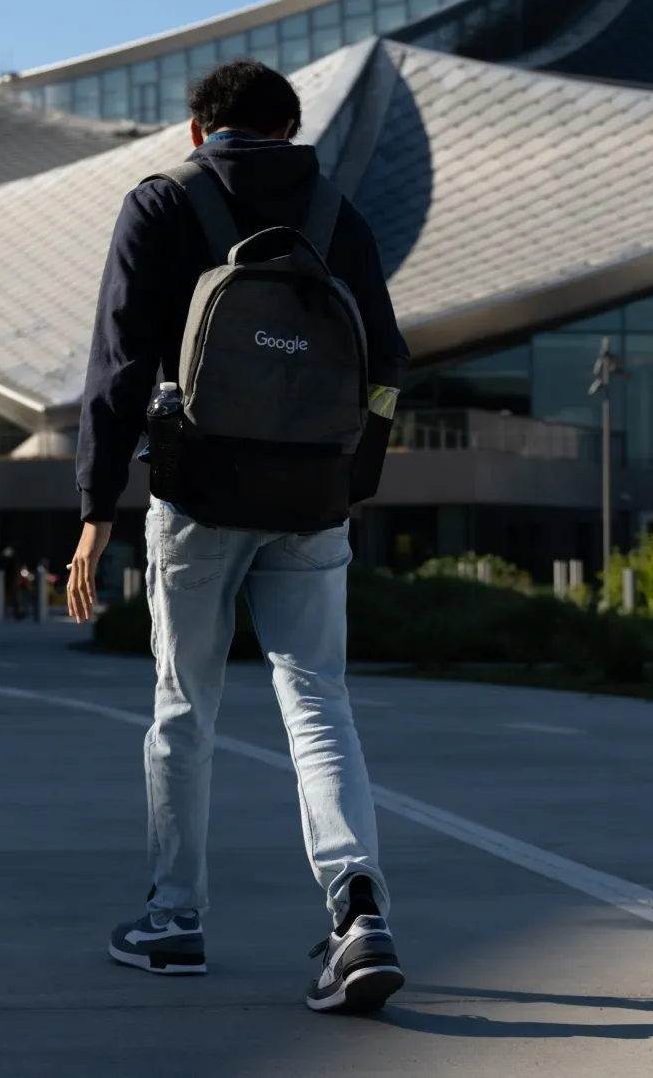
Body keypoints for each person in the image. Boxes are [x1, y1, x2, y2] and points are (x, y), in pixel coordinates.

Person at [67, 59, 409, 1015]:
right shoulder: (339, 213)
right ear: (292, 126)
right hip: (313, 501)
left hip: (198, 494)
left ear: (195, 130)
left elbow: (118, 367)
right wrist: (353, 477)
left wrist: (96, 510)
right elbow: (387, 362)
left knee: (186, 709)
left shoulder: (162, 203)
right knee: (318, 702)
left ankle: (174, 920)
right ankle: (358, 911)